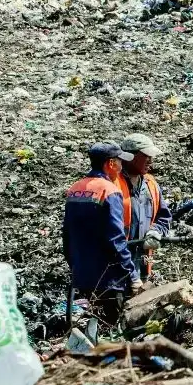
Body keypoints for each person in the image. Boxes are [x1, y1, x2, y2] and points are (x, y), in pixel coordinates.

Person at [62, 143, 140, 325]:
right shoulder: (109, 190)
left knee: (94, 323)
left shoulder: (75, 188)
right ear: (111, 164)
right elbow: (116, 238)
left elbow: (67, 233)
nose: (122, 167)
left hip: (82, 273)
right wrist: (132, 273)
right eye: (120, 161)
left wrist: (74, 266)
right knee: (112, 326)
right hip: (108, 277)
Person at [117, 133, 172, 283]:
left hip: (142, 265)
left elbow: (163, 216)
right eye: (146, 155)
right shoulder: (112, 185)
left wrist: (156, 231)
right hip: (116, 269)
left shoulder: (150, 184)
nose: (151, 160)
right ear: (129, 156)